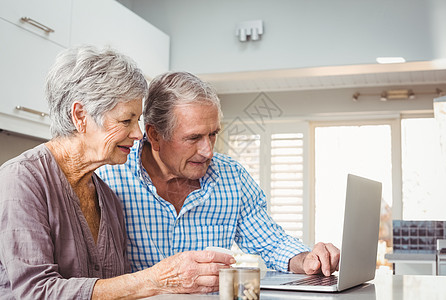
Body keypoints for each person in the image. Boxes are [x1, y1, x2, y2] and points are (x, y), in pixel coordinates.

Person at [0, 47, 235, 299]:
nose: (138, 134)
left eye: (138, 121)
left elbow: (115, 290)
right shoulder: (21, 181)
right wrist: (155, 279)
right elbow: (35, 292)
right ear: (81, 116)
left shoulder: (107, 197)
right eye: (126, 121)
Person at [97, 71, 340, 277]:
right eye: (194, 138)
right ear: (155, 135)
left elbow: (272, 243)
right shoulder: (109, 177)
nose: (208, 151)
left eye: (213, 134)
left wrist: (308, 259)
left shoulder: (232, 177)